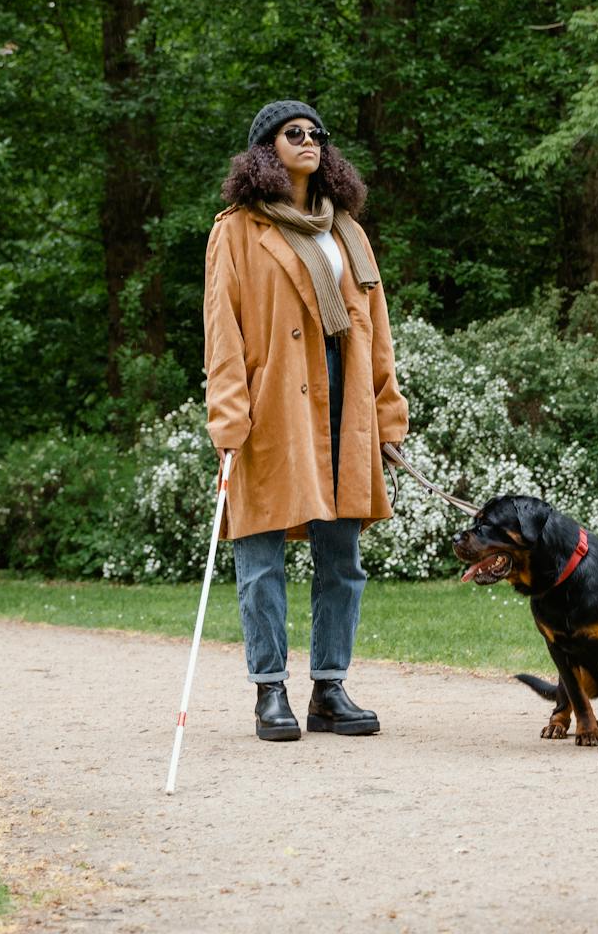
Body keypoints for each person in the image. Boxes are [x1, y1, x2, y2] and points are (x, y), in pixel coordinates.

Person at [202, 99, 409, 741]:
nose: (311, 140)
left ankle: (329, 687)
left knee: (342, 557)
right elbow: (223, 332)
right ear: (266, 149)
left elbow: (377, 333)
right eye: (296, 133)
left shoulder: (345, 229)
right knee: (260, 554)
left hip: (344, 408)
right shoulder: (236, 230)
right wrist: (229, 420)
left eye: (318, 133)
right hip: (273, 411)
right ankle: (269, 691)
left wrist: (388, 415)